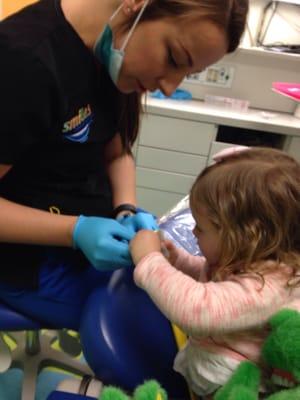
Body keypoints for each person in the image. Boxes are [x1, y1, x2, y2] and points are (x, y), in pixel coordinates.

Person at [0, 0, 248, 330]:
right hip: (24, 264)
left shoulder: (109, 49)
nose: (170, 88)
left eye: (187, 74)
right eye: (173, 59)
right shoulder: (23, 62)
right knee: (156, 322)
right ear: (136, 4)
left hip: (81, 249)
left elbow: (116, 153)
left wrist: (125, 209)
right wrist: (75, 231)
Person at [130, 147, 300, 399]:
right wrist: (179, 261)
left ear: (247, 237)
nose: (194, 233)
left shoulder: (269, 287)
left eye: (201, 227)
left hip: (234, 385)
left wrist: (149, 261)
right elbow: (219, 282)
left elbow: (199, 307)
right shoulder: (255, 258)